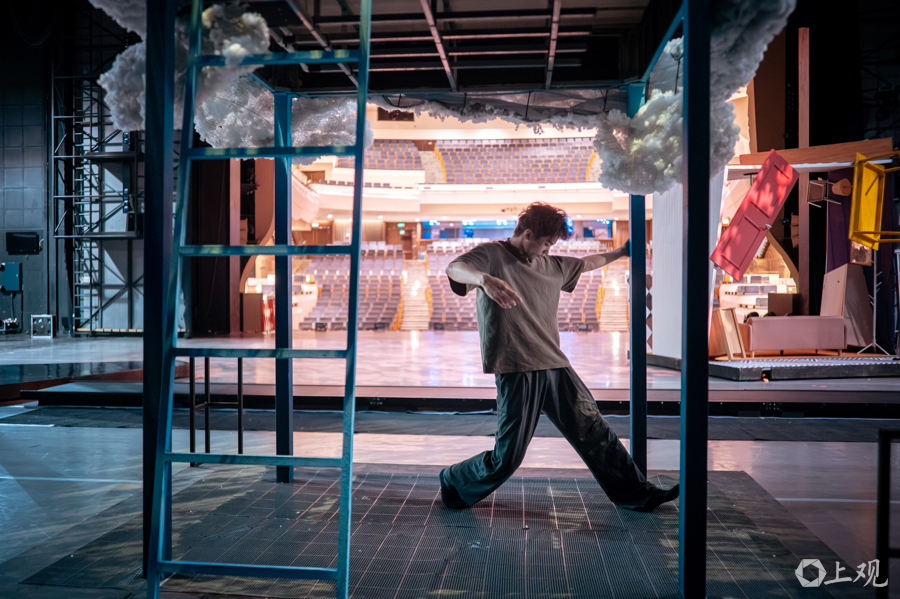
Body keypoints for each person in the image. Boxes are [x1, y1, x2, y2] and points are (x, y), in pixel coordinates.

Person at [439, 202, 678, 512]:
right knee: (507, 458)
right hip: (517, 366)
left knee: (594, 431)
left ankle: (638, 494)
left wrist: (621, 252)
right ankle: (454, 478)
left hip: (556, 364)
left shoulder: (550, 265)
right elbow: (454, 268)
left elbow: (587, 263)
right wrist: (484, 279)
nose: (548, 250)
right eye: (546, 243)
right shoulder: (491, 254)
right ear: (528, 234)